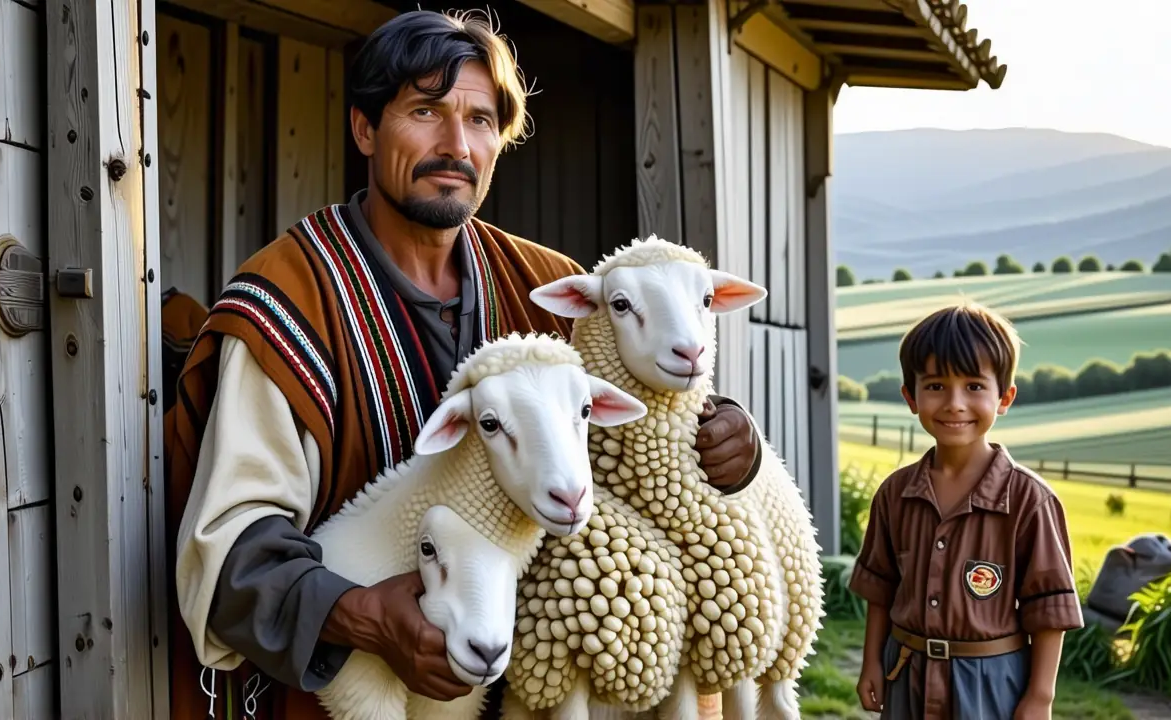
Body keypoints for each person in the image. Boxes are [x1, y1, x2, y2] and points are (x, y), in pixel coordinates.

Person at [164, 9, 765, 719]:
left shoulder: (551, 292)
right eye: (425, 110)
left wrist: (726, 440)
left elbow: (640, 446)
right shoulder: (289, 302)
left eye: (480, 120)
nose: (456, 144)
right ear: (365, 128)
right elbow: (231, 551)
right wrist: (363, 616)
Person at [848, 301, 1084, 720]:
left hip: (991, 684)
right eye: (936, 386)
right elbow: (881, 590)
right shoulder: (894, 494)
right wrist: (871, 662)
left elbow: (1048, 611)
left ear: (1005, 396)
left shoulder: (1030, 501)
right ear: (910, 396)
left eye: (974, 386)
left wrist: (1040, 697)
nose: (954, 403)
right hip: (906, 674)